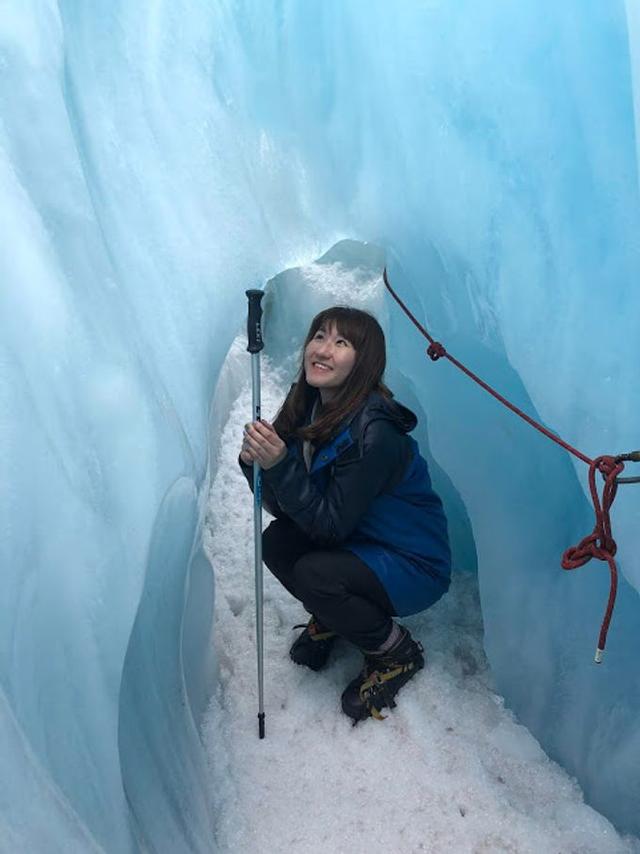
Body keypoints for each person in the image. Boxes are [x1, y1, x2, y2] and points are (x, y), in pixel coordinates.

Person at [239, 306, 451, 722]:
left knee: (317, 574)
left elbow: (329, 527)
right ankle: (337, 617)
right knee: (278, 541)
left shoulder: (375, 434)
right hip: (362, 539)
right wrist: (257, 464)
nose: (323, 349)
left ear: (364, 362)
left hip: (411, 562)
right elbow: (288, 507)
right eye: (319, 336)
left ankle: (396, 653)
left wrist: (281, 466)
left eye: (342, 342)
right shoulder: (309, 404)